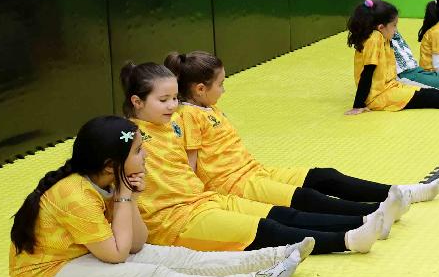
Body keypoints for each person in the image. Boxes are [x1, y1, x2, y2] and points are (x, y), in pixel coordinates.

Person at [8, 115, 312, 277]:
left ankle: (273, 257)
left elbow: (137, 243)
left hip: (86, 255)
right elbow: (117, 254)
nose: (146, 155)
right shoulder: (74, 194)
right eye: (138, 150)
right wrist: (125, 195)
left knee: (178, 257)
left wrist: (129, 196)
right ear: (110, 165)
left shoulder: (106, 181)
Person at [122, 61, 387, 253]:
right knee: (266, 230)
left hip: (205, 199)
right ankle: (347, 240)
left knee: (279, 214)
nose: (173, 105)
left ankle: (362, 221)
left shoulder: (172, 124)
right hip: (174, 221)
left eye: (174, 98)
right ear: (137, 101)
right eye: (164, 100)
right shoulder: (127, 136)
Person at [165, 50, 439, 219]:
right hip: (236, 186)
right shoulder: (188, 116)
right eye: (221, 84)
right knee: (305, 198)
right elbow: (191, 165)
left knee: (324, 176)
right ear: (200, 89)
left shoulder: (208, 107)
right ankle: (376, 211)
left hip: (255, 171)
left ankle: (398, 191)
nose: (224, 90)